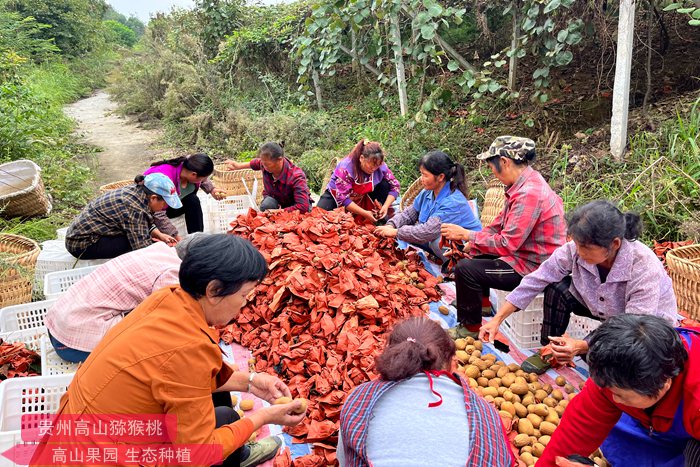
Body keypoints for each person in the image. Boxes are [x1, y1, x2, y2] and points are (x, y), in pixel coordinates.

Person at [32, 234, 306, 467]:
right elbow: (198, 453)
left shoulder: (169, 298)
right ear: (213, 290)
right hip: (103, 455)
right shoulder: (186, 349)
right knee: (221, 428)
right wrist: (264, 416)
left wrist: (251, 382)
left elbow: (178, 376)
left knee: (223, 417)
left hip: (79, 439)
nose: (244, 304)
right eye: (244, 295)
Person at [479, 200, 678, 374]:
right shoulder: (574, 250)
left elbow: (633, 326)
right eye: (577, 244)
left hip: (643, 328)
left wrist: (583, 345)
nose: (579, 252)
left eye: (586, 248)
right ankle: (550, 349)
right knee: (557, 288)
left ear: (615, 244)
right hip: (600, 306)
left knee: (604, 360)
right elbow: (536, 279)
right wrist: (497, 319)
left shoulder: (643, 266)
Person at [337, 317, 515, 467]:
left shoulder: (359, 398)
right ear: (451, 361)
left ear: (394, 355)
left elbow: (343, 460)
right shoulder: (486, 413)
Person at [440, 136, 566, 339]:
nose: (492, 173)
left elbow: (508, 244)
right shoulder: (523, 184)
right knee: (474, 254)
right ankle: (482, 305)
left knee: (466, 269)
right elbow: (499, 224)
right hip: (523, 255)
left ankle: (470, 328)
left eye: (491, 167)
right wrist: (471, 243)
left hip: (534, 266)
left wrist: (466, 234)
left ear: (505, 162)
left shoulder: (529, 194)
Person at [537, 314, 700, 467]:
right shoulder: (613, 373)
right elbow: (577, 430)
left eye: (621, 395)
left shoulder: (695, 398)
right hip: (657, 415)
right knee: (620, 433)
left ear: (663, 384)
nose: (614, 398)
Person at [46, 233, 207, 363]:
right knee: (156, 340)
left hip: (58, 325)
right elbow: (164, 320)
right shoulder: (172, 273)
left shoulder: (159, 250)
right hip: (70, 346)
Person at [374, 151, 482, 261]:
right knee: (407, 236)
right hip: (432, 237)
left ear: (440, 177)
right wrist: (391, 225)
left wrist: (396, 232)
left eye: (425, 175)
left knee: (435, 241)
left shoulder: (453, 202)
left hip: (468, 249)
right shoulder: (427, 192)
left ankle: (455, 267)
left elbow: (426, 232)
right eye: (421, 174)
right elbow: (409, 214)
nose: (421, 179)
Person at [65, 172, 182, 260]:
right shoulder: (135, 208)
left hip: (87, 234)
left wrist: (160, 235)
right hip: (82, 244)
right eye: (165, 203)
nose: (165, 207)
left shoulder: (138, 191)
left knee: (150, 240)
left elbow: (144, 222)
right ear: (154, 198)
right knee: (134, 245)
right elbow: (142, 247)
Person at [317, 139, 400, 224]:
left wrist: (385, 206)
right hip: (337, 196)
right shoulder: (346, 167)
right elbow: (342, 198)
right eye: (370, 165)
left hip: (362, 197)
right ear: (361, 158)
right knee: (318, 218)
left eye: (377, 166)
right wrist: (365, 213)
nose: (374, 169)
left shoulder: (380, 166)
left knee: (384, 185)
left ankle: (379, 215)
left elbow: (395, 186)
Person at [143, 153, 227, 237]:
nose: (204, 180)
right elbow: (158, 214)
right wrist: (175, 236)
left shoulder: (190, 165)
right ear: (193, 174)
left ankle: (197, 237)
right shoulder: (163, 179)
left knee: (193, 200)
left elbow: (203, 178)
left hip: (173, 205)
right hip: (154, 210)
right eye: (203, 178)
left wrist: (212, 189)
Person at [224, 142, 312, 213]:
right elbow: (255, 163)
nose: (264, 166)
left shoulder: (296, 176)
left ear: (280, 160)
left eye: (267, 164)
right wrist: (238, 166)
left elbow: (303, 207)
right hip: (276, 200)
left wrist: (277, 212)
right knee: (266, 206)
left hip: (295, 207)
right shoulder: (264, 163)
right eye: (263, 163)